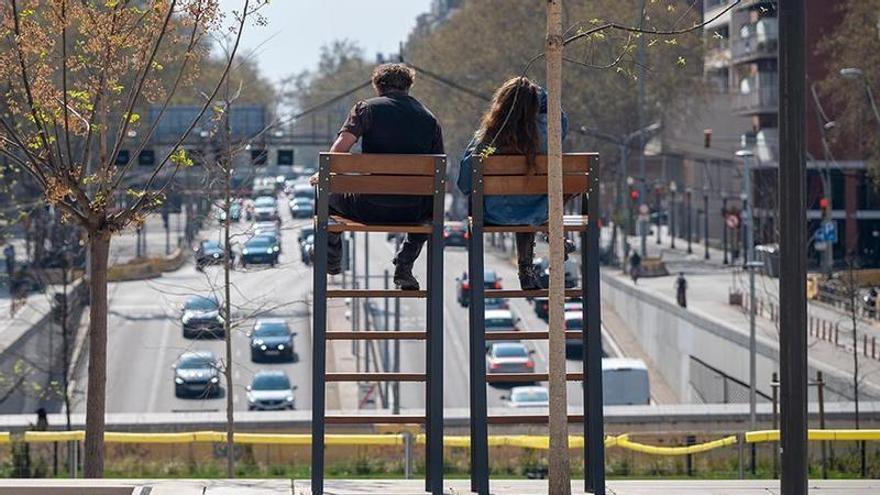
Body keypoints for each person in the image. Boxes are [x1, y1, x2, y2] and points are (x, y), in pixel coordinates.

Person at [316, 64, 444, 290]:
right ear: (409, 86)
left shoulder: (365, 109)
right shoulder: (429, 119)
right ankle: (405, 264)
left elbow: (337, 153)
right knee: (431, 207)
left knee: (324, 194)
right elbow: (438, 168)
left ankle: (333, 258)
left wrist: (324, 175)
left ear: (378, 86)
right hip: (412, 212)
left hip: (368, 208)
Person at [457, 77, 568, 290]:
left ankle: (528, 265)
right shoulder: (549, 135)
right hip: (538, 214)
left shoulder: (490, 139)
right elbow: (560, 116)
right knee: (529, 199)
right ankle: (528, 265)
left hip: (494, 215)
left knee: (520, 199)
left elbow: (465, 183)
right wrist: (537, 92)